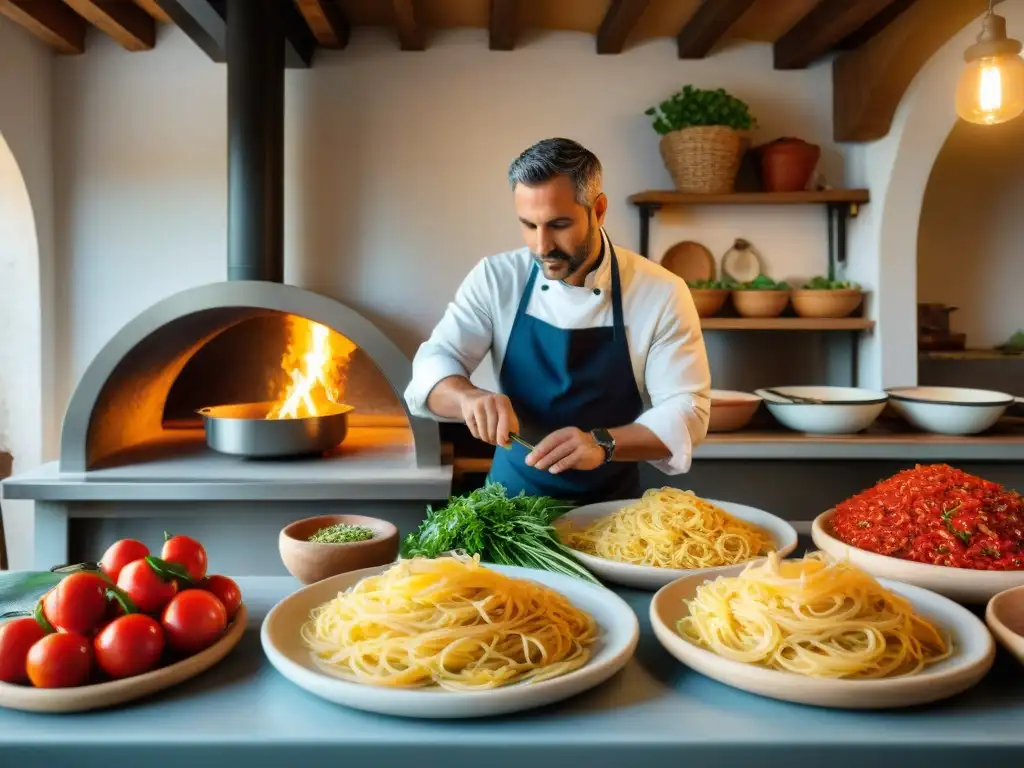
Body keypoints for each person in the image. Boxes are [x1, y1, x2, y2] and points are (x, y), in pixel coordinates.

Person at [403, 137, 711, 504]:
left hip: (610, 516)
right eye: (528, 225)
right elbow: (432, 366)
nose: (541, 246)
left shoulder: (659, 292)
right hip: (507, 509)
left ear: (598, 210)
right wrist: (467, 398)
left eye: (558, 224)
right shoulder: (496, 278)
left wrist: (603, 443)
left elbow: (688, 410)